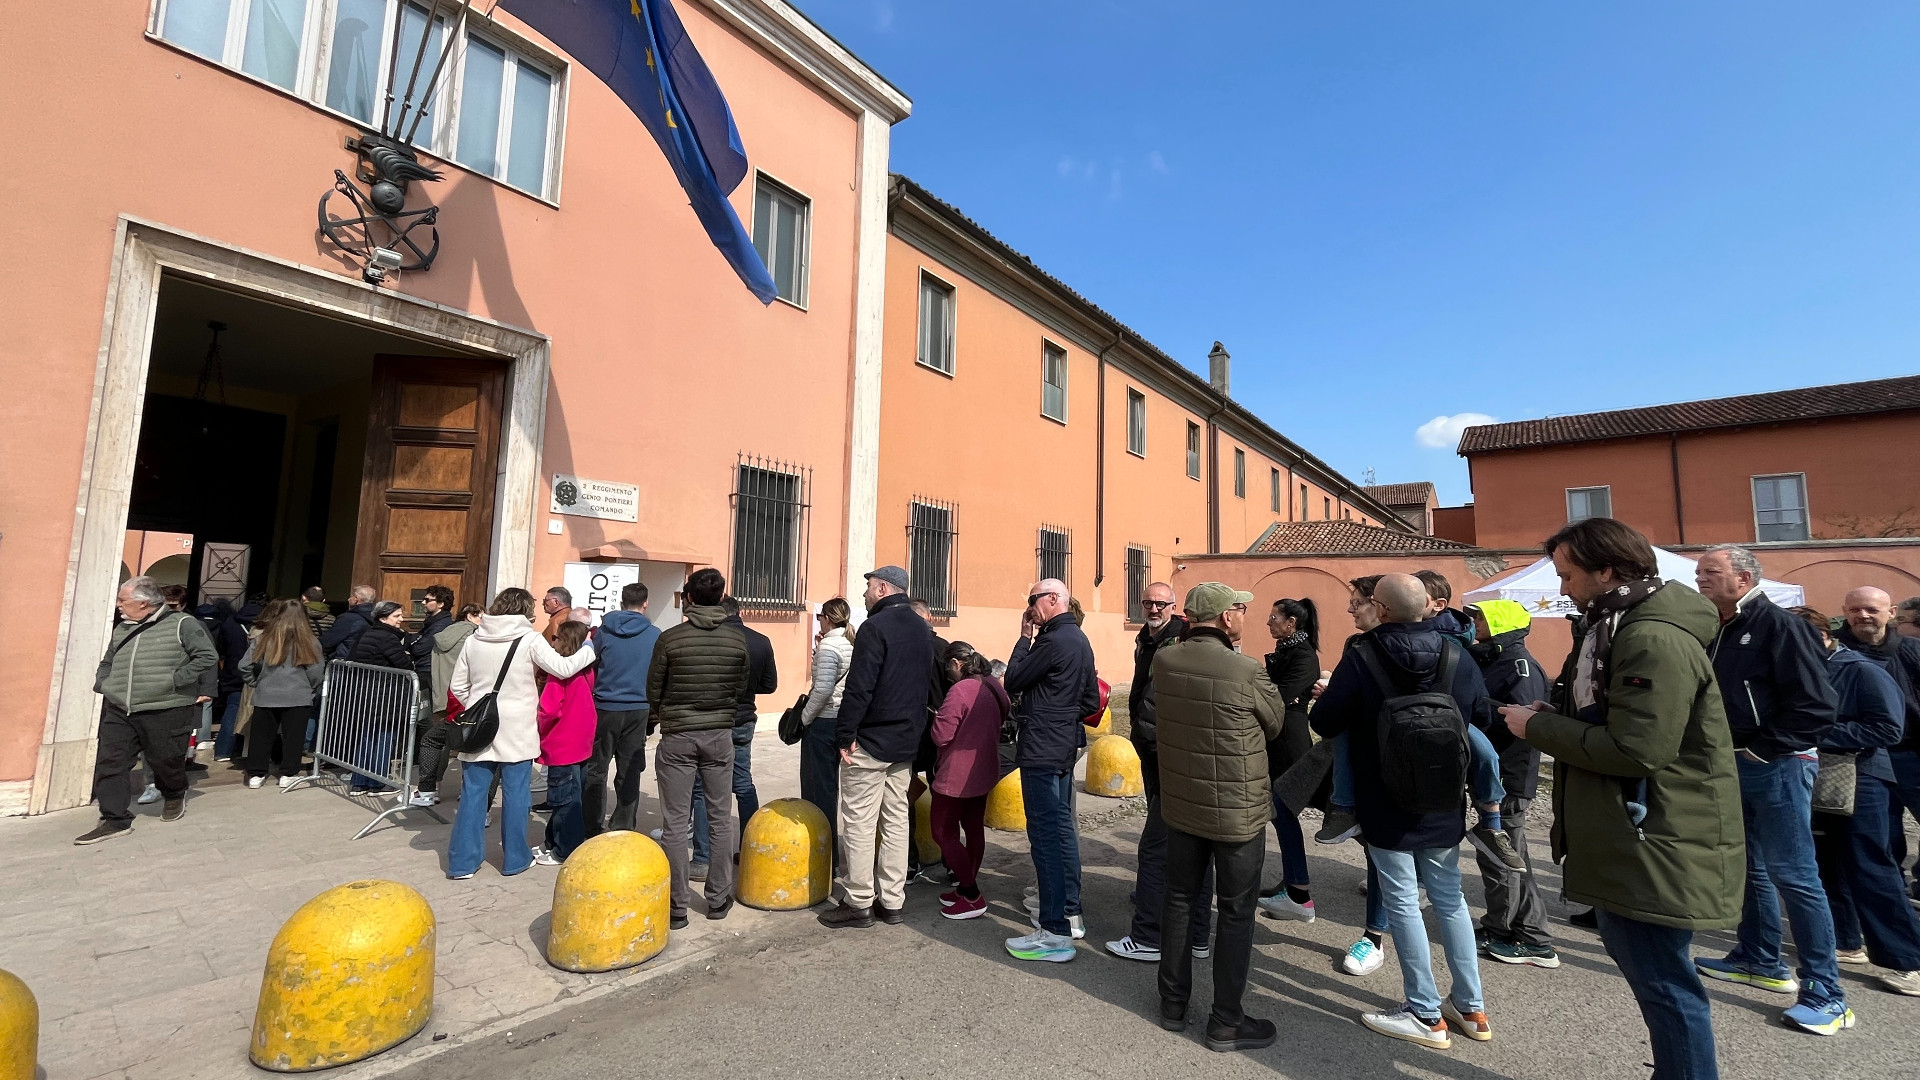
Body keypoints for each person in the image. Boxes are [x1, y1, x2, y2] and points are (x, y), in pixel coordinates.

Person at [1502, 518, 1743, 1079]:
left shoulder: (1649, 635)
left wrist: (1537, 730)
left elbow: (1638, 750)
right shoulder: (1614, 626)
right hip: (1635, 830)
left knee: (1665, 986)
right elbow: (1613, 719)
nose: (1562, 587)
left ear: (1606, 571)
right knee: (1659, 982)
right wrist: (1554, 717)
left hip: (1654, 833)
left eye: (1568, 575)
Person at [1314, 573, 1493, 1049]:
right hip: (1442, 792)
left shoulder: (1363, 654)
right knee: (1450, 898)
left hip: (1385, 795)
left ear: (1383, 609)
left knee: (1401, 900)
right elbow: (1482, 716)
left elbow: (1324, 719)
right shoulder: (1457, 652)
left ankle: (1424, 1012)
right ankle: (1471, 1007)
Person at [1690, 544, 1849, 1033]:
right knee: (1749, 866)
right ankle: (1759, 959)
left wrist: (1763, 748)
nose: (1700, 579)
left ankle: (1828, 993)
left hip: (1776, 763)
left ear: (1742, 577)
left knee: (1794, 874)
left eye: (1710, 572)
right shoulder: (1716, 627)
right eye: (1699, 572)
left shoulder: (1781, 625)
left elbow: (1817, 705)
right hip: (1733, 764)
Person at [1151, 582, 1286, 1052]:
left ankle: (1172, 1003)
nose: (1246, 614)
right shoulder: (1246, 670)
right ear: (1226, 618)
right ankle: (1226, 1020)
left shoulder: (1163, 660)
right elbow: (1276, 722)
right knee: (1234, 911)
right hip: (1237, 812)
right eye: (1241, 609)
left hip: (1183, 803)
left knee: (1180, 899)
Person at [1789, 606, 1920, 996]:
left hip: (1863, 780)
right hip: (1823, 778)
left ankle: (1908, 961)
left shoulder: (1860, 670)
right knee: (1830, 866)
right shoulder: (1810, 668)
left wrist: (1812, 733)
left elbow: (1887, 727)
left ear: (1821, 638)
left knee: (1870, 867)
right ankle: (1847, 942)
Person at [447, 588, 596, 879]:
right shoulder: (529, 639)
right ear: (525, 609)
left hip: (480, 727)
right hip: (517, 726)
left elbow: (458, 686)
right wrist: (588, 649)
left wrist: (478, 709)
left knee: (473, 795)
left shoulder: (474, 639)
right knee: (517, 796)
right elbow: (563, 668)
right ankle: (515, 858)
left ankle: (463, 863)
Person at [819, 566, 934, 929]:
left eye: (868, 587)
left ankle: (858, 901)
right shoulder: (921, 626)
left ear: (883, 588)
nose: (865, 594)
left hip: (869, 741)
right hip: (904, 742)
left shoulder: (874, 627)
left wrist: (844, 735)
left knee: (859, 822)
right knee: (897, 820)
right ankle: (893, 900)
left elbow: (860, 687)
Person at [1107, 581, 1209, 962]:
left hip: (1167, 744)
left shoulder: (1180, 637)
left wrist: (1150, 727)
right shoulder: (1145, 637)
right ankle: (1197, 932)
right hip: (1149, 743)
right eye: (1147, 602)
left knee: (1160, 838)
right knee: (1172, 825)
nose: (1153, 609)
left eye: (1160, 604)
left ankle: (1151, 932)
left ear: (1175, 606)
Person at [77, 577, 218, 843]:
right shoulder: (123, 628)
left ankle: (174, 792)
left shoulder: (183, 624)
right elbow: (108, 660)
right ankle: (114, 818)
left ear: (143, 603)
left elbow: (207, 657)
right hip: (120, 708)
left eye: (123, 600)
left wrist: (175, 681)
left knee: (165, 760)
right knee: (111, 762)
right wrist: (104, 683)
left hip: (165, 707)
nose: (118, 605)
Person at [1003, 578, 1099, 962]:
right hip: (1062, 746)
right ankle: (1069, 914)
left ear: (1054, 599)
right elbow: (1091, 699)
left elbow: (1013, 679)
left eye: (1034, 600)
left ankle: (1054, 932)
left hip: (1042, 748)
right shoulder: (1079, 639)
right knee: (1061, 833)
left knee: (1044, 837)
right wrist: (1061, 716)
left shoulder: (1052, 639)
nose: (1030, 608)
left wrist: (1023, 638)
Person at [647, 568, 749, 925]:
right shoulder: (737, 641)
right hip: (719, 734)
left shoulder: (670, 639)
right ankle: (718, 899)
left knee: (675, 822)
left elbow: (653, 690)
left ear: (688, 598)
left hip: (678, 735)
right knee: (720, 817)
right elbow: (741, 687)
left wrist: (667, 714)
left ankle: (677, 907)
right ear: (721, 598)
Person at [1460, 599, 1557, 968]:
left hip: (1510, 776)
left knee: (1500, 854)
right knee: (1514, 858)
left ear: (1500, 623)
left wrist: (1472, 704)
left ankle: (1505, 930)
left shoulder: (1519, 664)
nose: (1476, 623)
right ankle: (1532, 934)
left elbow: (1520, 720)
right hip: (1497, 772)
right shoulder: (1492, 659)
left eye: (1482, 618)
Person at [1834, 587, 1920, 900]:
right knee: (1881, 838)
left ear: (1891, 612)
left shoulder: (1911, 650)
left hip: (1910, 753)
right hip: (1861, 758)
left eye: (1871, 609)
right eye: (1855, 610)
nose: (1863, 616)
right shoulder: (1833, 650)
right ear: (1845, 611)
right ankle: (1890, 895)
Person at [691, 596, 777, 877]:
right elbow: (770, 685)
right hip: (743, 721)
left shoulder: (710, 641)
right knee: (743, 783)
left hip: (713, 720)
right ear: (739, 612)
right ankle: (750, 848)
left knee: (704, 788)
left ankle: (703, 858)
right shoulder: (760, 640)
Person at [929, 641, 1009, 919]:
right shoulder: (993, 685)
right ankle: (966, 887)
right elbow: (1005, 710)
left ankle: (972, 893)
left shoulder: (960, 690)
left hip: (956, 774)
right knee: (974, 828)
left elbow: (941, 735)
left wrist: (936, 718)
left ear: (955, 664)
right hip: (985, 767)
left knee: (942, 831)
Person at [1257, 597, 1320, 924]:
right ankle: (1295, 886)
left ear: (1290, 623)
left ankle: (1297, 888)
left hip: (1291, 743)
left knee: (1334, 812)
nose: (1268, 622)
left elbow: (1278, 697)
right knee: (1281, 812)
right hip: (1277, 739)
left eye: (1273, 617)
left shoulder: (1303, 656)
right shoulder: (1286, 651)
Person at [586, 582, 660, 836]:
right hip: (639, 707)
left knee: (597, 767)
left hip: (605, 706)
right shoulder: (655, 634)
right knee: (630, 768)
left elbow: (591, 665)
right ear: (646, 603)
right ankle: (624, 824)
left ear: (621, 602)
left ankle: (592, 825)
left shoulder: (603, 633)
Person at [238, 599, 325, 790]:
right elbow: (316, 672)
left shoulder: (263, 638)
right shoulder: (310, 641)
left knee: (261, 736)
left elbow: (244, 665)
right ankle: (288, 773)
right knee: (293, 738)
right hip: (298, 694)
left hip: (266, 693)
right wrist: (310, 689)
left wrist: (256, 683)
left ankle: (256, 774)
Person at [534, 620, 596, 866]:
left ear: (565, 641)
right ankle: (553, 841)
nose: (553, 642)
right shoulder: (587, 670)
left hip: (562, 743)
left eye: (557, 638)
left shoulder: (557, 676)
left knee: (563, 799)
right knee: (574, 796)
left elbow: (548, 710)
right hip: (581, 741)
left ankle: (564, 849)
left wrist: (537, 730)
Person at [800, 598, 856, 843]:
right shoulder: (849, 644)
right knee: (830, 786)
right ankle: (830, 850)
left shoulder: (828, 647)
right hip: (841, 719)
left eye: (820, 617)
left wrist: (804, 717)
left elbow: (822, 690)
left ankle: (822, 850)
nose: (818, 621)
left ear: (829, 618)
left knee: (817, 789)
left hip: (823, 721)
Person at [416, 603, 482, 807]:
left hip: (443, 694)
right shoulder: (475, 637)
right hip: (465, 697)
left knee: (439, 742)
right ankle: (467, 789)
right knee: (471, 743)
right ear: (471, 616)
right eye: (481, 615)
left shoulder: (442, 634)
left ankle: (433, 788)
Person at [906, 598, 950, 885]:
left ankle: (909, 864)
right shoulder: (944, 648)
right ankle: (952, 863)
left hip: (909, 735)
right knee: (945, 800)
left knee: (904, 800)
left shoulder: (905, 647)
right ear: (930, 617)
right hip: (940, 735)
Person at [320, 584, 378, 658]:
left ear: (356, 599)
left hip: (343, 662)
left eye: (351, 596)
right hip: (363, 661)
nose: (348, 599)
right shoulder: (376, 617)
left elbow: (328, 641)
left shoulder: (348, 618)